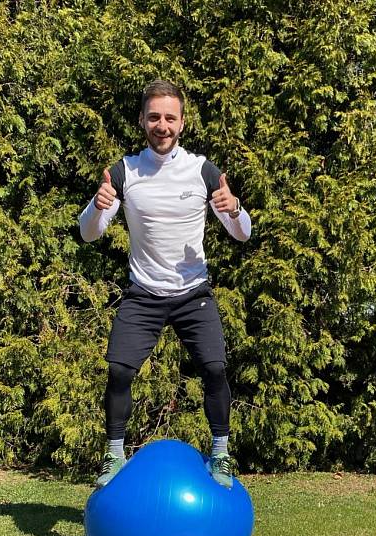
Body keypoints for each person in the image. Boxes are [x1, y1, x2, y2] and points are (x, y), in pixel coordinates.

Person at [79, 79, 251, 489]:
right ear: (142, 120)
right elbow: (89, 233)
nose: (162, 125)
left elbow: (242, 233)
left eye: (170, 117)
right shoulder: (125, 172)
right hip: (144, 295)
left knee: (214, 367)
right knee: (119, 371)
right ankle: (114, 456)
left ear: (182, 123)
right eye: (154, 116)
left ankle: (222, 455)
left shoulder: (202, 171)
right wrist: (96, 205)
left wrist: (236, 208)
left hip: (193, 294)